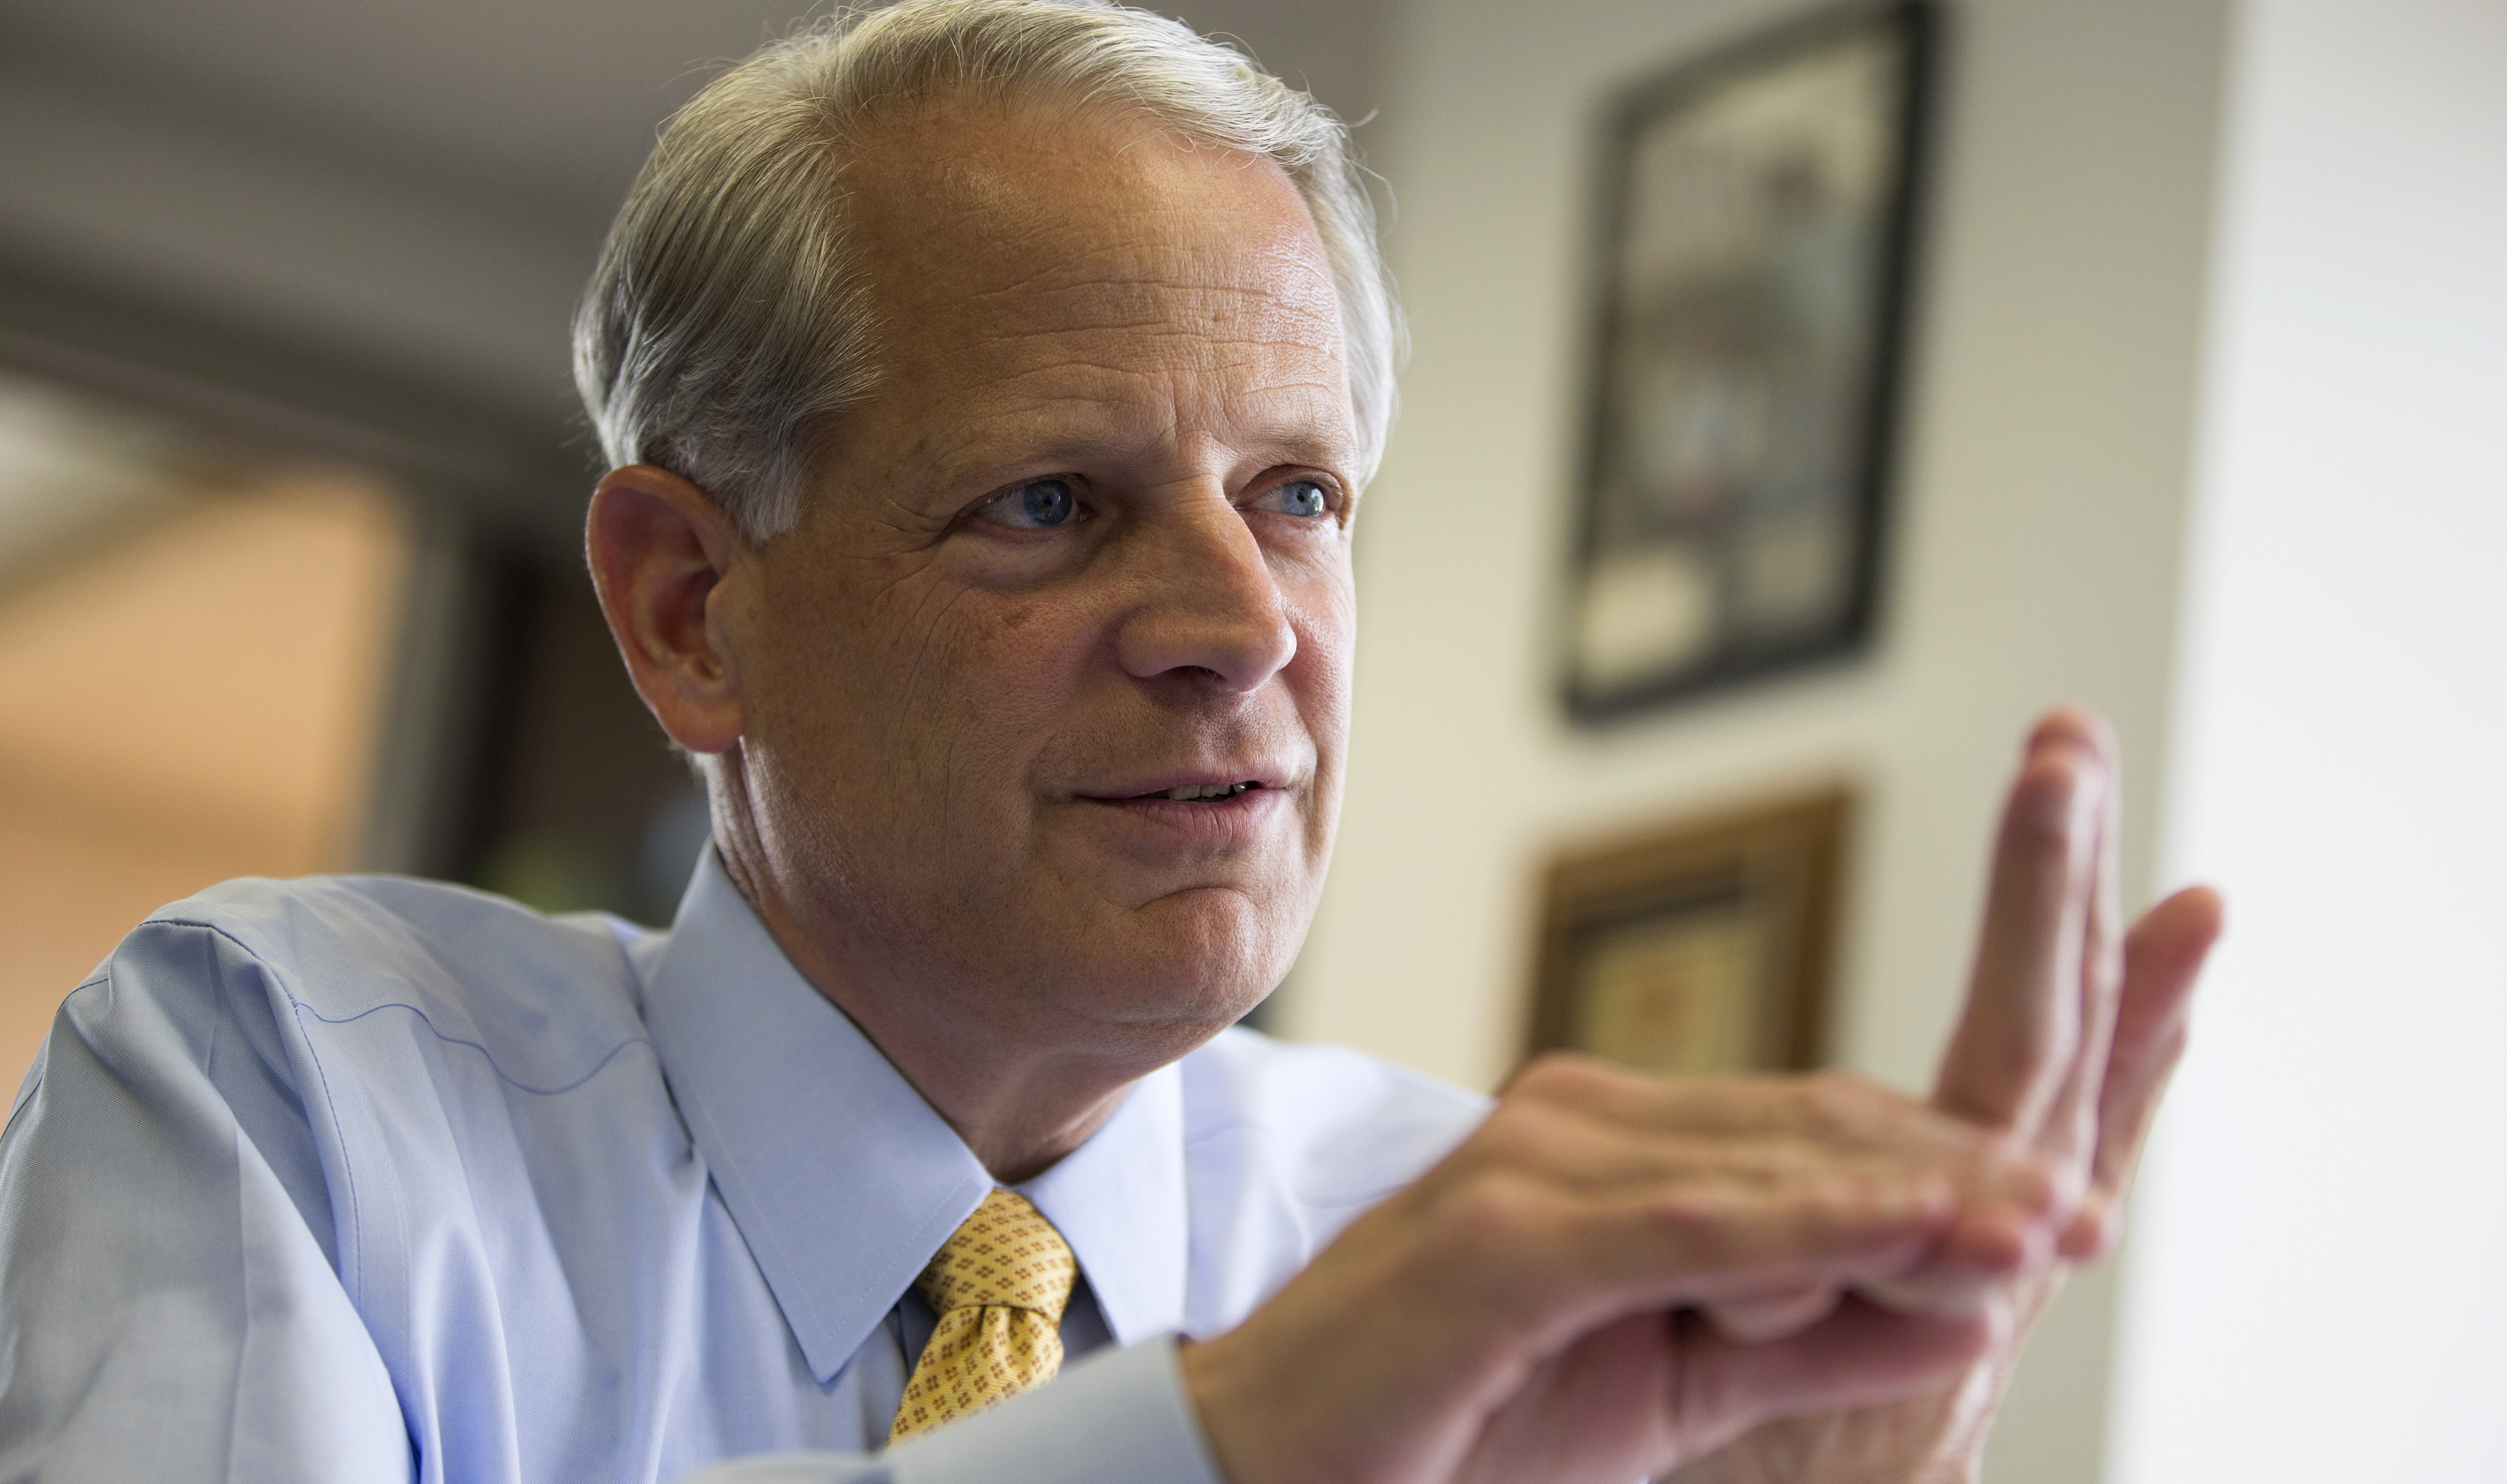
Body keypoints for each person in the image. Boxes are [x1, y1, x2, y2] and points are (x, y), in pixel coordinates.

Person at [0, 2, 2223, 1481]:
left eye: (1301, 497)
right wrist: (1214, 1449)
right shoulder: (285, 1092)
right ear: (692, 611)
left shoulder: (1488, 1252)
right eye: (1049, 503)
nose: (1244, 627)